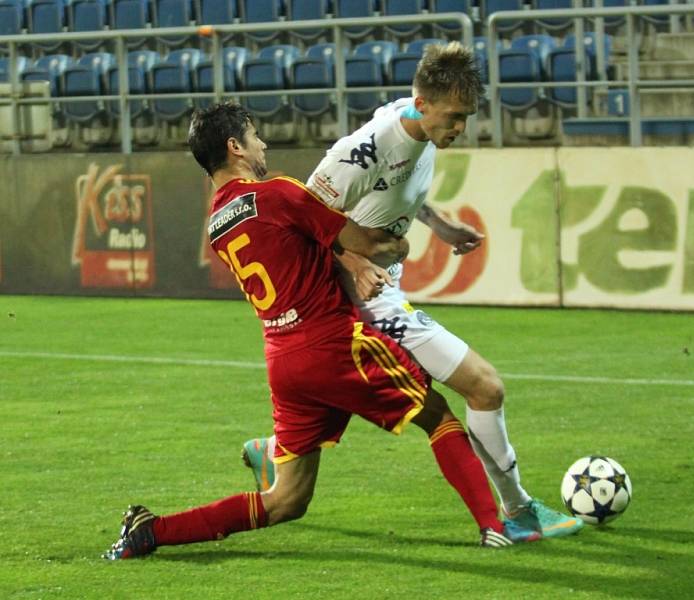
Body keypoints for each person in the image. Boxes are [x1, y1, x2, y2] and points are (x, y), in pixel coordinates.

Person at [102, 103, 541, 560]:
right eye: (254, 136)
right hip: (334, 343)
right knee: (439, 415)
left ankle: (152, 531)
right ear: (235, 147)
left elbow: (303, 247)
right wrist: (400, 242)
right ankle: (495, 526)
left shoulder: (216, 222)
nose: (263, 144)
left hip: (283, 360)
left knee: (286, 501)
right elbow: (365, 242)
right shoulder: (277, 193)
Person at [242, 42, 582, 539]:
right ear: (423, 104)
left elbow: (397, 189)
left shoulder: (412, 121)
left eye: (466, 116)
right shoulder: (363, 149)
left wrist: (438, 224)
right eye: (454, 117)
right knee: (484, 387)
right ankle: (517, 509)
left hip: (382, 289)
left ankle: (271, 452)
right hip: (363, 300)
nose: (460, 128)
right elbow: (299, 220)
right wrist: (354, 262)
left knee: (340, 405)